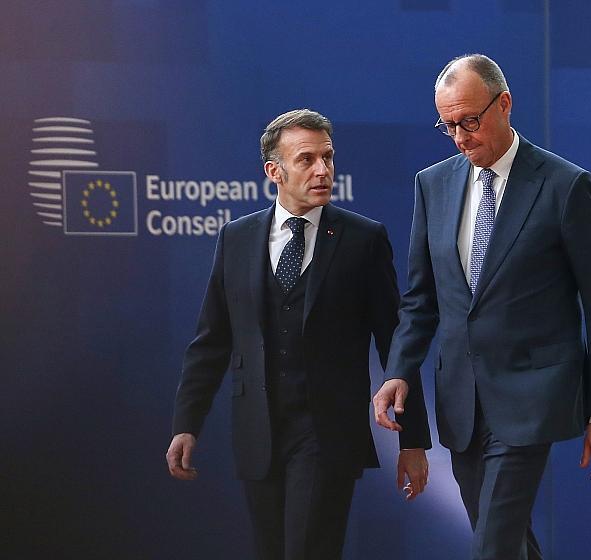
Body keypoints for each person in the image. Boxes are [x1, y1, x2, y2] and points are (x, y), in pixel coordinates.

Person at [373, 55, 591, 560]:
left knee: (492, 546)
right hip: (461, 401)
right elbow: (422, 299)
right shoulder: (432, 184)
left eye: (470, 121)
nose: (460, 137)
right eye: (448, 126)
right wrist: (399, 370)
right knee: (507, 544)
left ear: (504, 104)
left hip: (532, 398)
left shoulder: (565, 185)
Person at [166, 109, 431, 560]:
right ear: (275, 171)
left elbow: (397, 343)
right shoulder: (236, 238)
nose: (323, 170)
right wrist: (186, 425)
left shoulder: (363, 239)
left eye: (328, 157)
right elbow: (211, 341)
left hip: (328, 436)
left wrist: (413, 440)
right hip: (259, 433)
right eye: (306, 159)